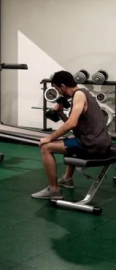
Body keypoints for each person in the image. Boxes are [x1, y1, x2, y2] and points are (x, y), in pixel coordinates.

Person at [31, 70, 112, 200]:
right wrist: (61, 114)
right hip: (101, 142)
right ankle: (67, 179)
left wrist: (49, 138)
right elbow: (76, 125)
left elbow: (71, 124)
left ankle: (54, 189)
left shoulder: (78, 95)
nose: (58, 92)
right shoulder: (83, 93)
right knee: (70, 138)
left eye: (57, 89)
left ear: (63, 86)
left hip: (93, 144)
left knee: (45, 147)